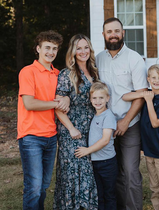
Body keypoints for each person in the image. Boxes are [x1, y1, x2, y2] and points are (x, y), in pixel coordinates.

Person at [96, 17, 148, 210]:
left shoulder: (134, 58)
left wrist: (126, 121)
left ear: (123, 33)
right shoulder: (98, 59)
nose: (113, 35)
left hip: (130, 124)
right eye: (109, 32)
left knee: (130, 171)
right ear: (103, 35)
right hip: (106, 126)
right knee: (113, 170)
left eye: (116, 31)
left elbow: (141, 94)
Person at [17, 30, 68, 210]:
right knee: (34, 187)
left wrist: (66, 99)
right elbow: (29, 103)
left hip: (51, 137)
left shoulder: (59, 74)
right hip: (31, 136)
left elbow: (66, 97)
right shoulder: (28, 72)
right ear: (38, 48)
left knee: (44, 186)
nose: (51, 52)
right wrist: (55, 103)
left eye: (54, 48)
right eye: (47, 47)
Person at [53, 34, 99, 209]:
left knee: (88, 175)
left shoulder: (94, 72)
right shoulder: (67, 74)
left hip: (91, 130)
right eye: (78, 48)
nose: (83, 51)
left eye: (86, 47)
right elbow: (58, 107)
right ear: (73, 51)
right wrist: (72, 129)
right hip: (72, 133)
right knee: (75, 175)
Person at [122, 64, 159, 210]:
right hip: (149, 152)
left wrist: (148, 101)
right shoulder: (147, 94)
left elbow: (155, 123)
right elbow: (125, 96)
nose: (156, 81)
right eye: (153, 77)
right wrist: (143, 95)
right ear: (148, 79)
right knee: (154, 189)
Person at [75, 82, 118, 210]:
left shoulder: (108, 116)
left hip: (107, 163)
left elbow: (105, 140)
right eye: (94, 98)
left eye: (101, 98)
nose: (97, 101)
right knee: (99, 195)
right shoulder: (94, 115)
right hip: (95, 163)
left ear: (107, 98)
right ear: (90, 99)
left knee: (109, 194)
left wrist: (87, 150)